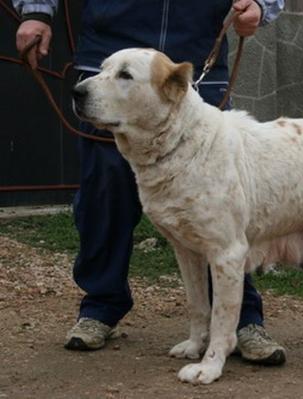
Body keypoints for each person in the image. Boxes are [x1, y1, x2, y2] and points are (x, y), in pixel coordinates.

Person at [13, 0, 286, 365]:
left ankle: (243, 321)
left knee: (219, 216)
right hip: (110, 67)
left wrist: (260, 5)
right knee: (104, 198)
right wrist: (35, 11)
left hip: (190, 73)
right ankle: (101, 306)